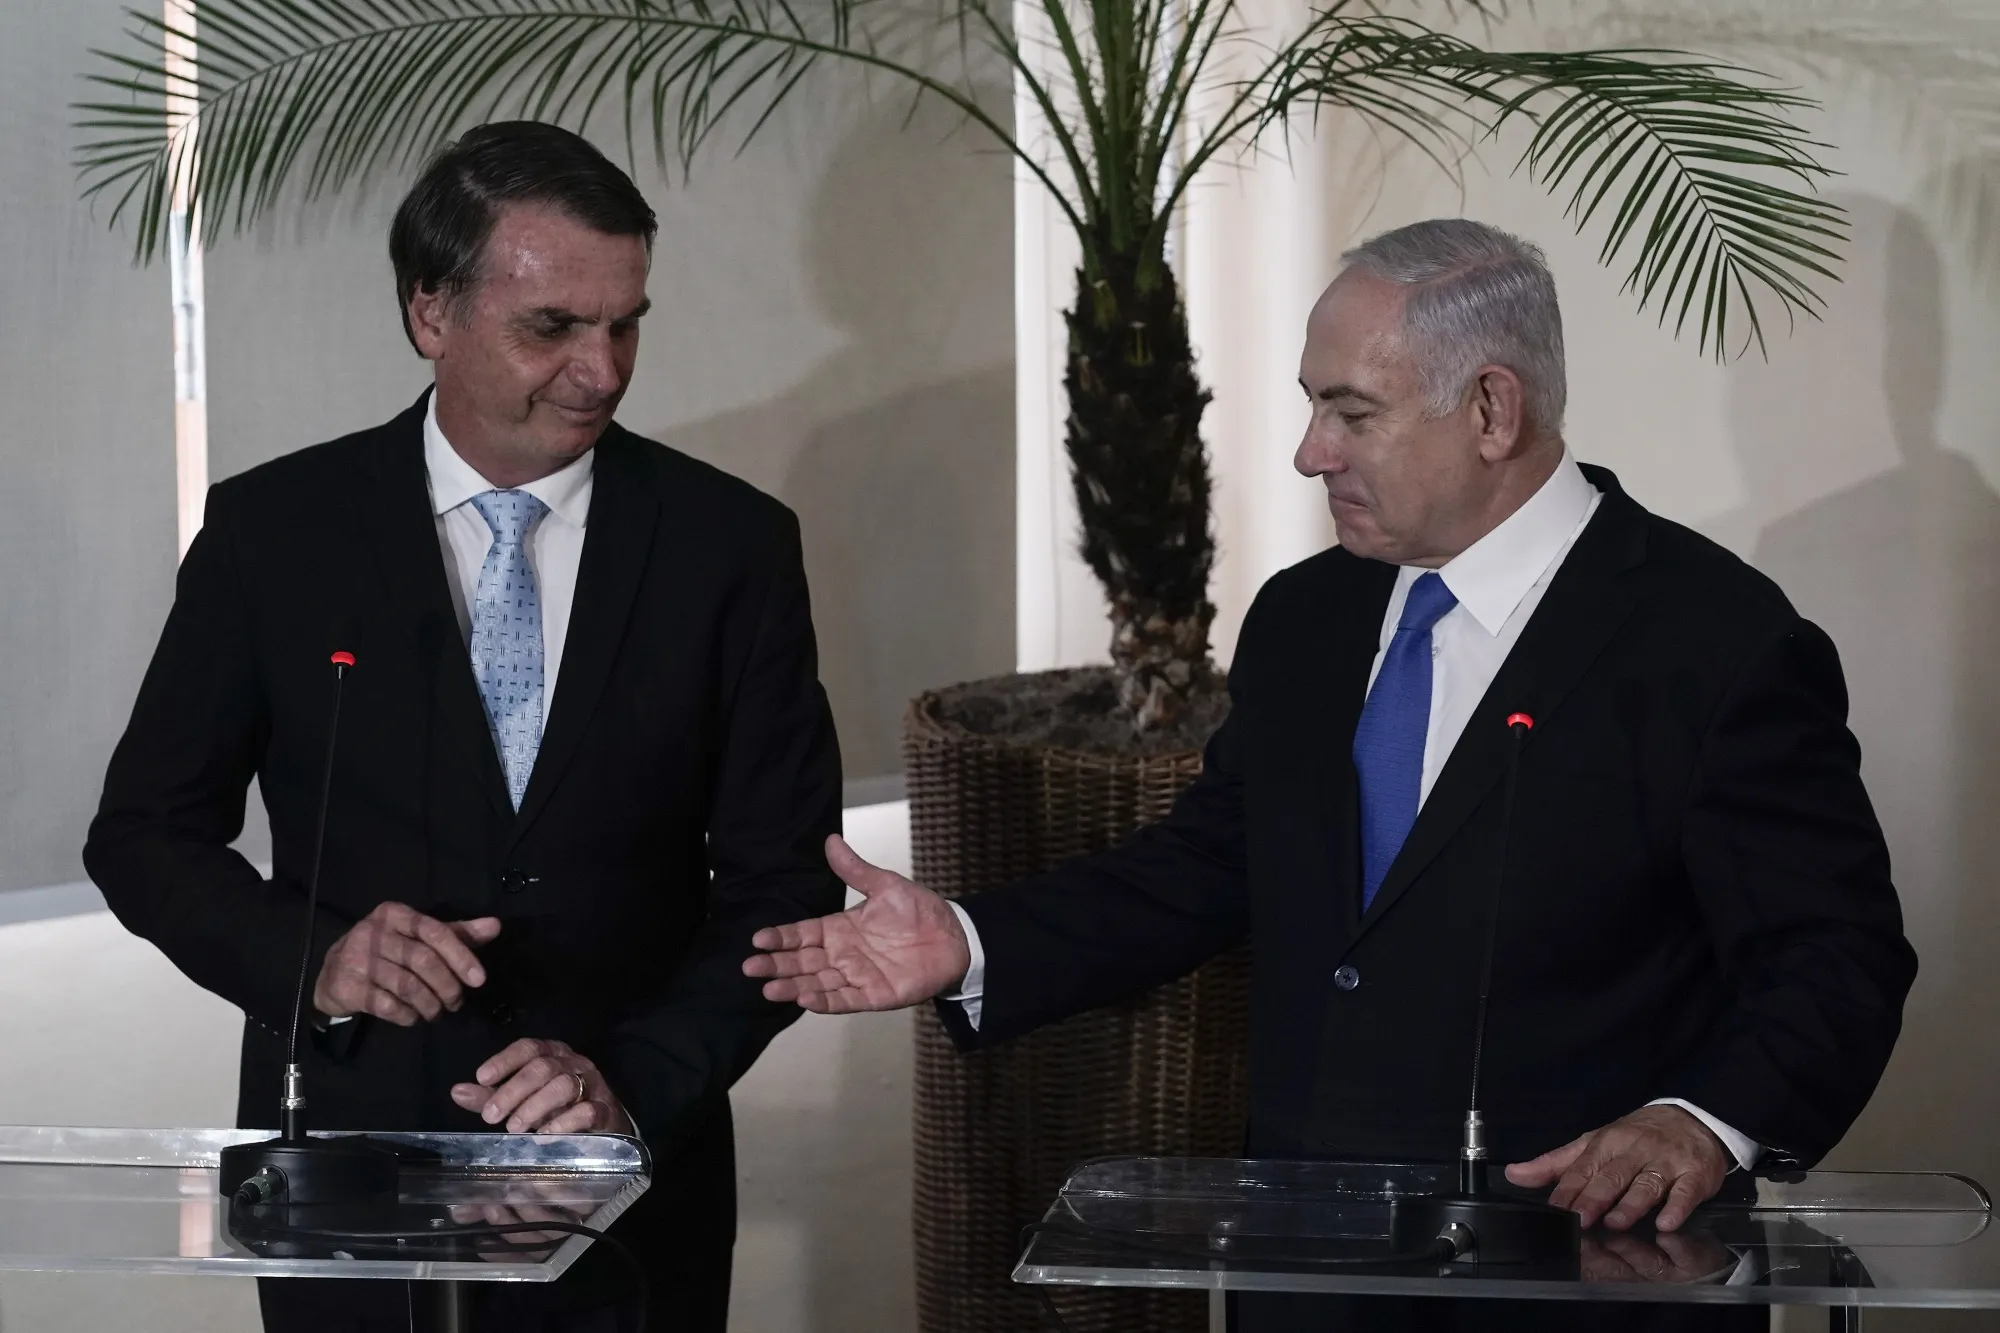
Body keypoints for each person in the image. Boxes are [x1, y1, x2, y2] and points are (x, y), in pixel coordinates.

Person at [744, 219, 1918, 1331]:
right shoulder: (1306, 617)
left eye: (1348, 413)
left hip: (1584, 1276)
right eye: (1313, 407)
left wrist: (1698, 1124)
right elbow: (1208, 863)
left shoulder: (1711, 639)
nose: (1310, 453)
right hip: (1310, 1268)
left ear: (1490, 409)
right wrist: (972, 941)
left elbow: (1832, 954)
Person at [85, 121, 843, 1333]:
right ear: (429, 311)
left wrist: (628, 1090)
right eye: (553, 326)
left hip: (623, 1189)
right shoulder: (271, 534)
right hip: (344, 1172)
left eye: (626, 321)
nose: (602, 368)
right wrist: (316, 962)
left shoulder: (731, 548)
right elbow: (142, 836)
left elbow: (781, 885)